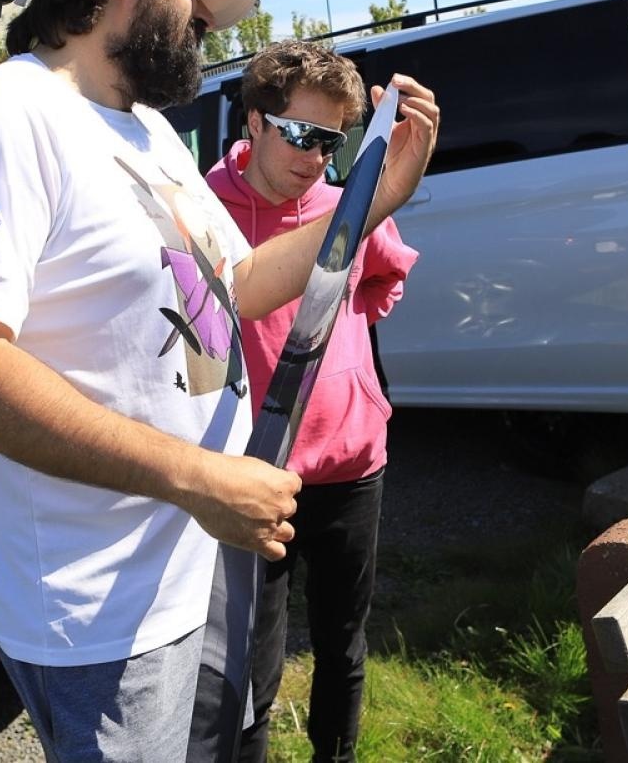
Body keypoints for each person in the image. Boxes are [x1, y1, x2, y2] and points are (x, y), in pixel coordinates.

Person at [0, 0, 439, 762]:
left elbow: (240, 283)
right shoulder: (2, 118)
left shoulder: (147, 131)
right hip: (98, 602)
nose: (201, 17)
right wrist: (197, 478)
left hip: (191, 556)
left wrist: (378, 193)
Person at [204, 40, 418, 762]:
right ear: (255, 121)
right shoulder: (203, 207)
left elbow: (387, 275)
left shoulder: (347, 203)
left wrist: (349, 360)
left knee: (342, 645)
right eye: (298, 133)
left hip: (354, 465)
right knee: (249, 669)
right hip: (255, 475)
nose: (313, 157)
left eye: (330, 140)